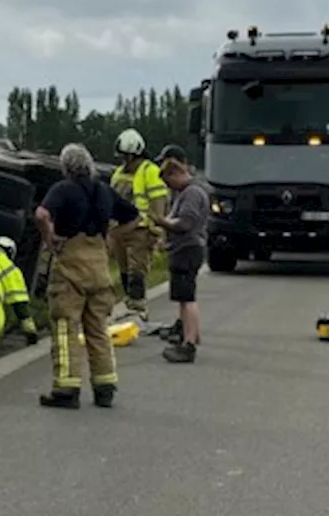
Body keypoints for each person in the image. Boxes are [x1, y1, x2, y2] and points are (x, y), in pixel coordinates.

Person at [34, 143, 140, 410]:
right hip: (99, 263)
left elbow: (42, 214)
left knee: (65, 325)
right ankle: (105, 387)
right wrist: (112, 238)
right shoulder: (104, 190)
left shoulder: (63, 189)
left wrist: (50, 239)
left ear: (66, 167)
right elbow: (134, 217)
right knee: (98, 328)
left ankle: (66, 389)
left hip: (71, 261)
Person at [108, 128, 169, 320]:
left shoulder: (150, 171)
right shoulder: (118, 173)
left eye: (128, 156)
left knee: (137, 269)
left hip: (141, 229)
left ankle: (138, 305)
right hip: (120, 228)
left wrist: (158, 231)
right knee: (124, 268)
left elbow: (159, 201)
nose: (125, 161)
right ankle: (130, 301)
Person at [156, 157, 209, 362]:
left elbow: (185, 223)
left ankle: (189, 343)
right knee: (184, 297)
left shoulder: (192, 194)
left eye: (169, 183)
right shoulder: (187, 192)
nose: (170, 188)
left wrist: (163, 222)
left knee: (187, 298)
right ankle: (191, 335)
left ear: (175, 174)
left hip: (187, 249)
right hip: (185, 249)